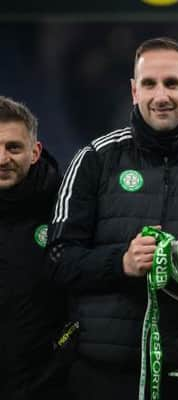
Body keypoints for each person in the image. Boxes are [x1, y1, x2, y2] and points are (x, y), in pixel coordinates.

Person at [46, 37, 178, 400]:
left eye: (172, 83)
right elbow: (57, 260)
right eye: (149, 84)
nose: (161, 95)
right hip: (106, 374)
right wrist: (121, 263)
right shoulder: (94, 160)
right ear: (133, 91)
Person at [0, 96, 66, 399]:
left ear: (35, 152)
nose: (2, 159)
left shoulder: (65, 208)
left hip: (47, 384)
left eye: (13, 147)